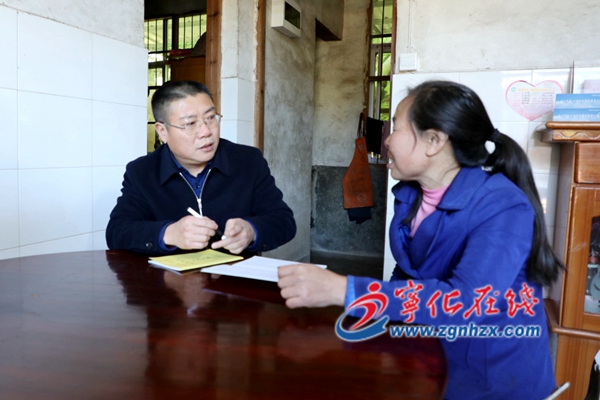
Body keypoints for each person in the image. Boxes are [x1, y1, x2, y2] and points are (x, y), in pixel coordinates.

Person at [278, 80, 563, 399]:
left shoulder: (503, 206)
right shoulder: (410, 195)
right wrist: (358, 332)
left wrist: (344, 290)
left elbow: (465, 302)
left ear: (433, 141)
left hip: (492, 380)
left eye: (396, 127)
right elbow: (407, 275)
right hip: (431, 361)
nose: (386, 140)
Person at [106, 80, 296, 256]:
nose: (206, 132)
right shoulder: (142, 172)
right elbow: (117, 232)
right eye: (190, 124)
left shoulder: (248, 161)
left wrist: (251, 231)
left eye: (210, 118)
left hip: (234, 278)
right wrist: (169, 233)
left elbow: (283, 221)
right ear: (163, 131)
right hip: (170, 280)